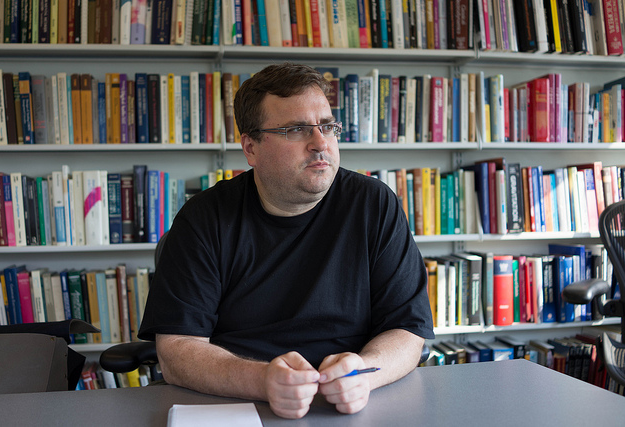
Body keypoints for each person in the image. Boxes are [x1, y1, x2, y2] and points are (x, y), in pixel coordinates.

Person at [138, 62, 434, 419]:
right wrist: (263, 380)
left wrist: (365, 373)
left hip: (351, 404)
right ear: (251, 148)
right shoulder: (204, 218)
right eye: (296, 130)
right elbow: (177, 351)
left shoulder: (374, 204)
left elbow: (407, 329)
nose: (321, 143)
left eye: (327, 126)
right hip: (237, 405)